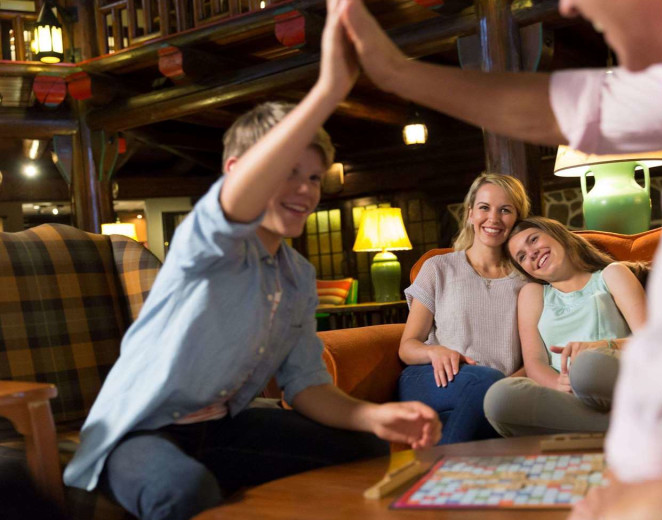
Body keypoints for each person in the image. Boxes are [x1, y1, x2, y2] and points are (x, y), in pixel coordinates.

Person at [342, 0, 662, 515]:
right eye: (515, 244)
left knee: (551, 378)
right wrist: (396, 72)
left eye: (520, 225)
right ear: (471, 214)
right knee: (501, 395)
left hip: (632, 383)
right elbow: (565, 106)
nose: (566, 5)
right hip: (522, 386)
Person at [62, 2, 441, 519]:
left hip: (222, 430)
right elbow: (234, 200)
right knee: (183, 492)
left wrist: (376, 416)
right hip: (136, 432)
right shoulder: (207, 241)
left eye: (313, 177)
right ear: (241, 171)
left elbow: (306, 385)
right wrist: (328, 89)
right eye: (289, 171)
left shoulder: (297, 275)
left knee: (369, 452)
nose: (305, 190)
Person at [484, 216, 646, 437]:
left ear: (557, 234)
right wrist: (558, 384)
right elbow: (535, 363)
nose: (530, 253)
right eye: (521, 257)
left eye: (533, 240)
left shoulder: (611, 274)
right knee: (499, 398)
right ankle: (628, 429)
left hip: (612, 377)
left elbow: (653, 342)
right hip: (567, 394)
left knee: (586, 367)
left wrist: (603, 345)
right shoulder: (533, 294)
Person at [399, 173, 530, 444]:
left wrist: (506, 388)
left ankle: (445, 474)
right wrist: (434, 351)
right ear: (470, 214)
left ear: (517, 219)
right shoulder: (438, 268)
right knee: (487, 387)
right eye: (484, 208)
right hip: (433, 380)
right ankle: (444, 472)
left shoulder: (527, 281)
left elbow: (534, 358)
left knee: (491, 398)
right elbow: (407, 347)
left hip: (497, 387)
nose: (493, 218)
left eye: (505, 210)